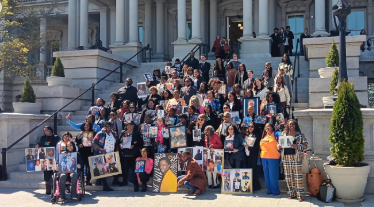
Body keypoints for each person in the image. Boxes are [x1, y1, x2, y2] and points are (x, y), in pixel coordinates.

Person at [278, 119, 308, 201]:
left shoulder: (300, 135)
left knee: (298, 177)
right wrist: (279, 147)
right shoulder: (283, 134)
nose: (291, 125)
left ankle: (300, 195)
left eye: (293, 124)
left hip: (296, 158)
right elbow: (278, 144)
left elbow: (306, 145)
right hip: (286, 158)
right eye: (290, 124)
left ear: (296, 125)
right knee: (288, 177)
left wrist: (298, 146)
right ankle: (292, 193)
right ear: (287, 125)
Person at [92, 122, 118, 191]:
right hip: (102, 154)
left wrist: (116, 151)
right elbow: (93, 143)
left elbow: (117, 143)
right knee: (103, 170)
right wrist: (101, 150)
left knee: (111, 169)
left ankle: (109, 182)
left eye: (109, 126)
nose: (107, 128)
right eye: (106, 126)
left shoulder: (114, 134)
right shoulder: (100, 134)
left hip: (111, 155)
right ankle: (105, 185)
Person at [35, 126, 60, 195]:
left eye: (48, 130)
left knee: (54, 172)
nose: (47, 131)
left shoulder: (56, 137)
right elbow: (38, 144)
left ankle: (54, 187)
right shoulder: (42, 138)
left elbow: (60, 145)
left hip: (54, 157)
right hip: (45, 158)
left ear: (51, 130)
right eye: (45, 130)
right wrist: (37, 146)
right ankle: (48, 188)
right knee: (46, 173)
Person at [260, 123, 281, 195]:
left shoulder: (276, 134)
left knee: (273, 174)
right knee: (266, 174)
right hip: (264, 157)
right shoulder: (264, 135)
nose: (267, 128)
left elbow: (281, 142)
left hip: (273, 157)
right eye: (266, 127)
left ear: (272, 127)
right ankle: (269, 189)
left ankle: (275, 190)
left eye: (268, 126)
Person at [118, 121, 140, 186]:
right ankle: (124, 181)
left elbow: (140, 142)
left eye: (130, 125)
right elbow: (118, 141)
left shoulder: (136, 132)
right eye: (127, 125)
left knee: (133, 168)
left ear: (133, 125)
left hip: (133, 153)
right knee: (125, 168)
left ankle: (135, 182)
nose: (129, 127)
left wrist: (133, 145)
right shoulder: (123, 132)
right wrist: (120, 145)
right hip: (124, 153)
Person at [243, 122, 262, 190]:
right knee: (248, 169)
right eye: (249, 126)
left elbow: (257, 146)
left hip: (253, 154)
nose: (250, 128)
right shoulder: (248, 134)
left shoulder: (257, 135)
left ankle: (255, 185)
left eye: (252, 127)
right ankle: (249, 185)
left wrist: (250, 148)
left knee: (253, 170)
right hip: (247, 154)